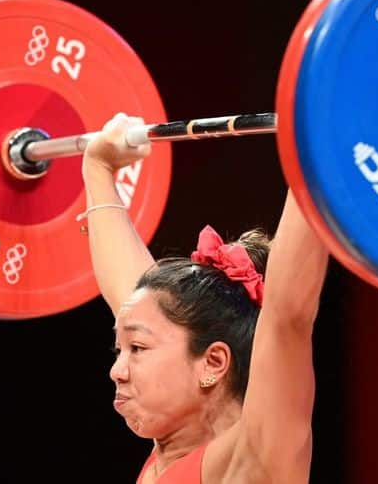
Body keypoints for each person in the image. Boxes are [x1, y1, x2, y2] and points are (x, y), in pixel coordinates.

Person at [80, 113, 329, 483]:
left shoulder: (252, 463)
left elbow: (287, 316)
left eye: (137, 349)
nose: (117, 370)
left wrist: (321, 147)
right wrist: (97, 168)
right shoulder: (172, 454)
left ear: (213, 363)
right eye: (121, 349)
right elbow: (133, 301)